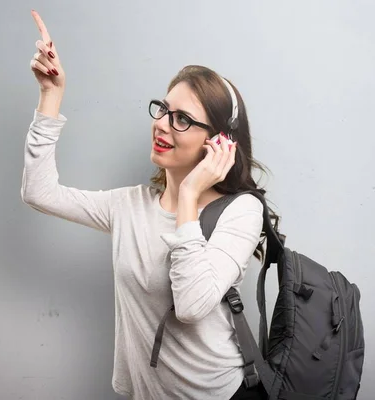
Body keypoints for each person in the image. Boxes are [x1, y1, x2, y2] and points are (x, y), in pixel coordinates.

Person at [21, 10, 272, 400]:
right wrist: (51, 96)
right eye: (163, 110)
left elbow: (190, 305)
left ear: (218, 141)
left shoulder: (240, 211)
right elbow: (39, 192)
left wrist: (188, 196)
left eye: (183, 119)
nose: (162, 124)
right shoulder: (130, 205)